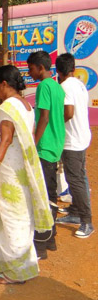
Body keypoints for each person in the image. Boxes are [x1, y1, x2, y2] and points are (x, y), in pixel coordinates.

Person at [0, 65, 54, 284]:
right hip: (17, 168)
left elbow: (6, 139)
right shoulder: (24, 104)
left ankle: (16, 273)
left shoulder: (8, 108)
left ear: (4, 83)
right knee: (20, 216)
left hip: (8, 171)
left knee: (12, 217)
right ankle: (21, 266)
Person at [27, 50, 65, 259]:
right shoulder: (57, 87)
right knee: (51, 194)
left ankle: (41, 244)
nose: (30, 73)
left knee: (42, 197)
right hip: (55, 145)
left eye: (31, 69)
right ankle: (51, 240)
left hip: (45, 147)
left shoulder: (43, 86)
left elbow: (44, 118)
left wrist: (33, 142)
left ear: (40, 68)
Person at [55, 53, 94, 238]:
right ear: (72, 69)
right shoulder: (79, 83)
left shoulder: (65, 87)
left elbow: (68, 113)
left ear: (58, 71)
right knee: (78, 176)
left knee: (76, 180)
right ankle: (76, 212)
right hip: (81, 136)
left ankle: (87, 221)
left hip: (72, 141)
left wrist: (54, 124)